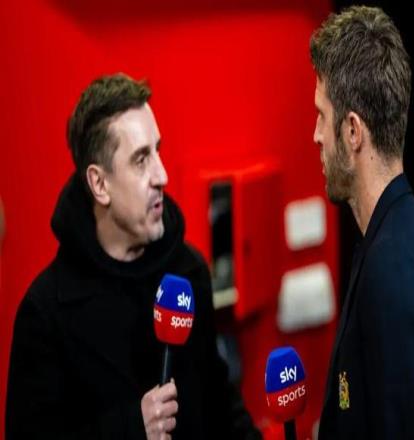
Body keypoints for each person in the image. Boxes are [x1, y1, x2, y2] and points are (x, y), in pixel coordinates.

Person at [6, 73, 261, 440]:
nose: (162, 175)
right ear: (99, 184)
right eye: (141, 160)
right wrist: (132, 428)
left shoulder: (187, 271)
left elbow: (220, 407)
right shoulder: (46, 313)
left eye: (158, 151)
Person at [309, 6, 414, 439]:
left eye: (321, 115)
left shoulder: (392, 268)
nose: (316, 134)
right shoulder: (404, 236)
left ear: (353, 131)